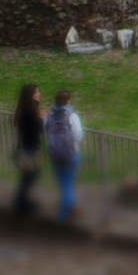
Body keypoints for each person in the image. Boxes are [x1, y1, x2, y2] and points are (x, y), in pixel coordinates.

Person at [43, 90, 85, 222]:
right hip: (71, 153)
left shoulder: (49, 115)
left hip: (55, 153)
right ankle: (64, 216)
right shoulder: (72, 116)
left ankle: (70, 208)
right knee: (69, 184)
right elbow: (78, 134)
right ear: (69, 101)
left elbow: (46, 130)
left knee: (63, 183)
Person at [11, 84, 44, 217]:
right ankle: (22, 203)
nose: (39, 94)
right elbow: (39, 129)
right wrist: (41, 118)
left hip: (25, 148)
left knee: (28, 177)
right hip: (31, 149)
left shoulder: (23, 110)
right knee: (30, 177)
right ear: (31, 96)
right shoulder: (30, 112)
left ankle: (22, 201)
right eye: (37, 93)